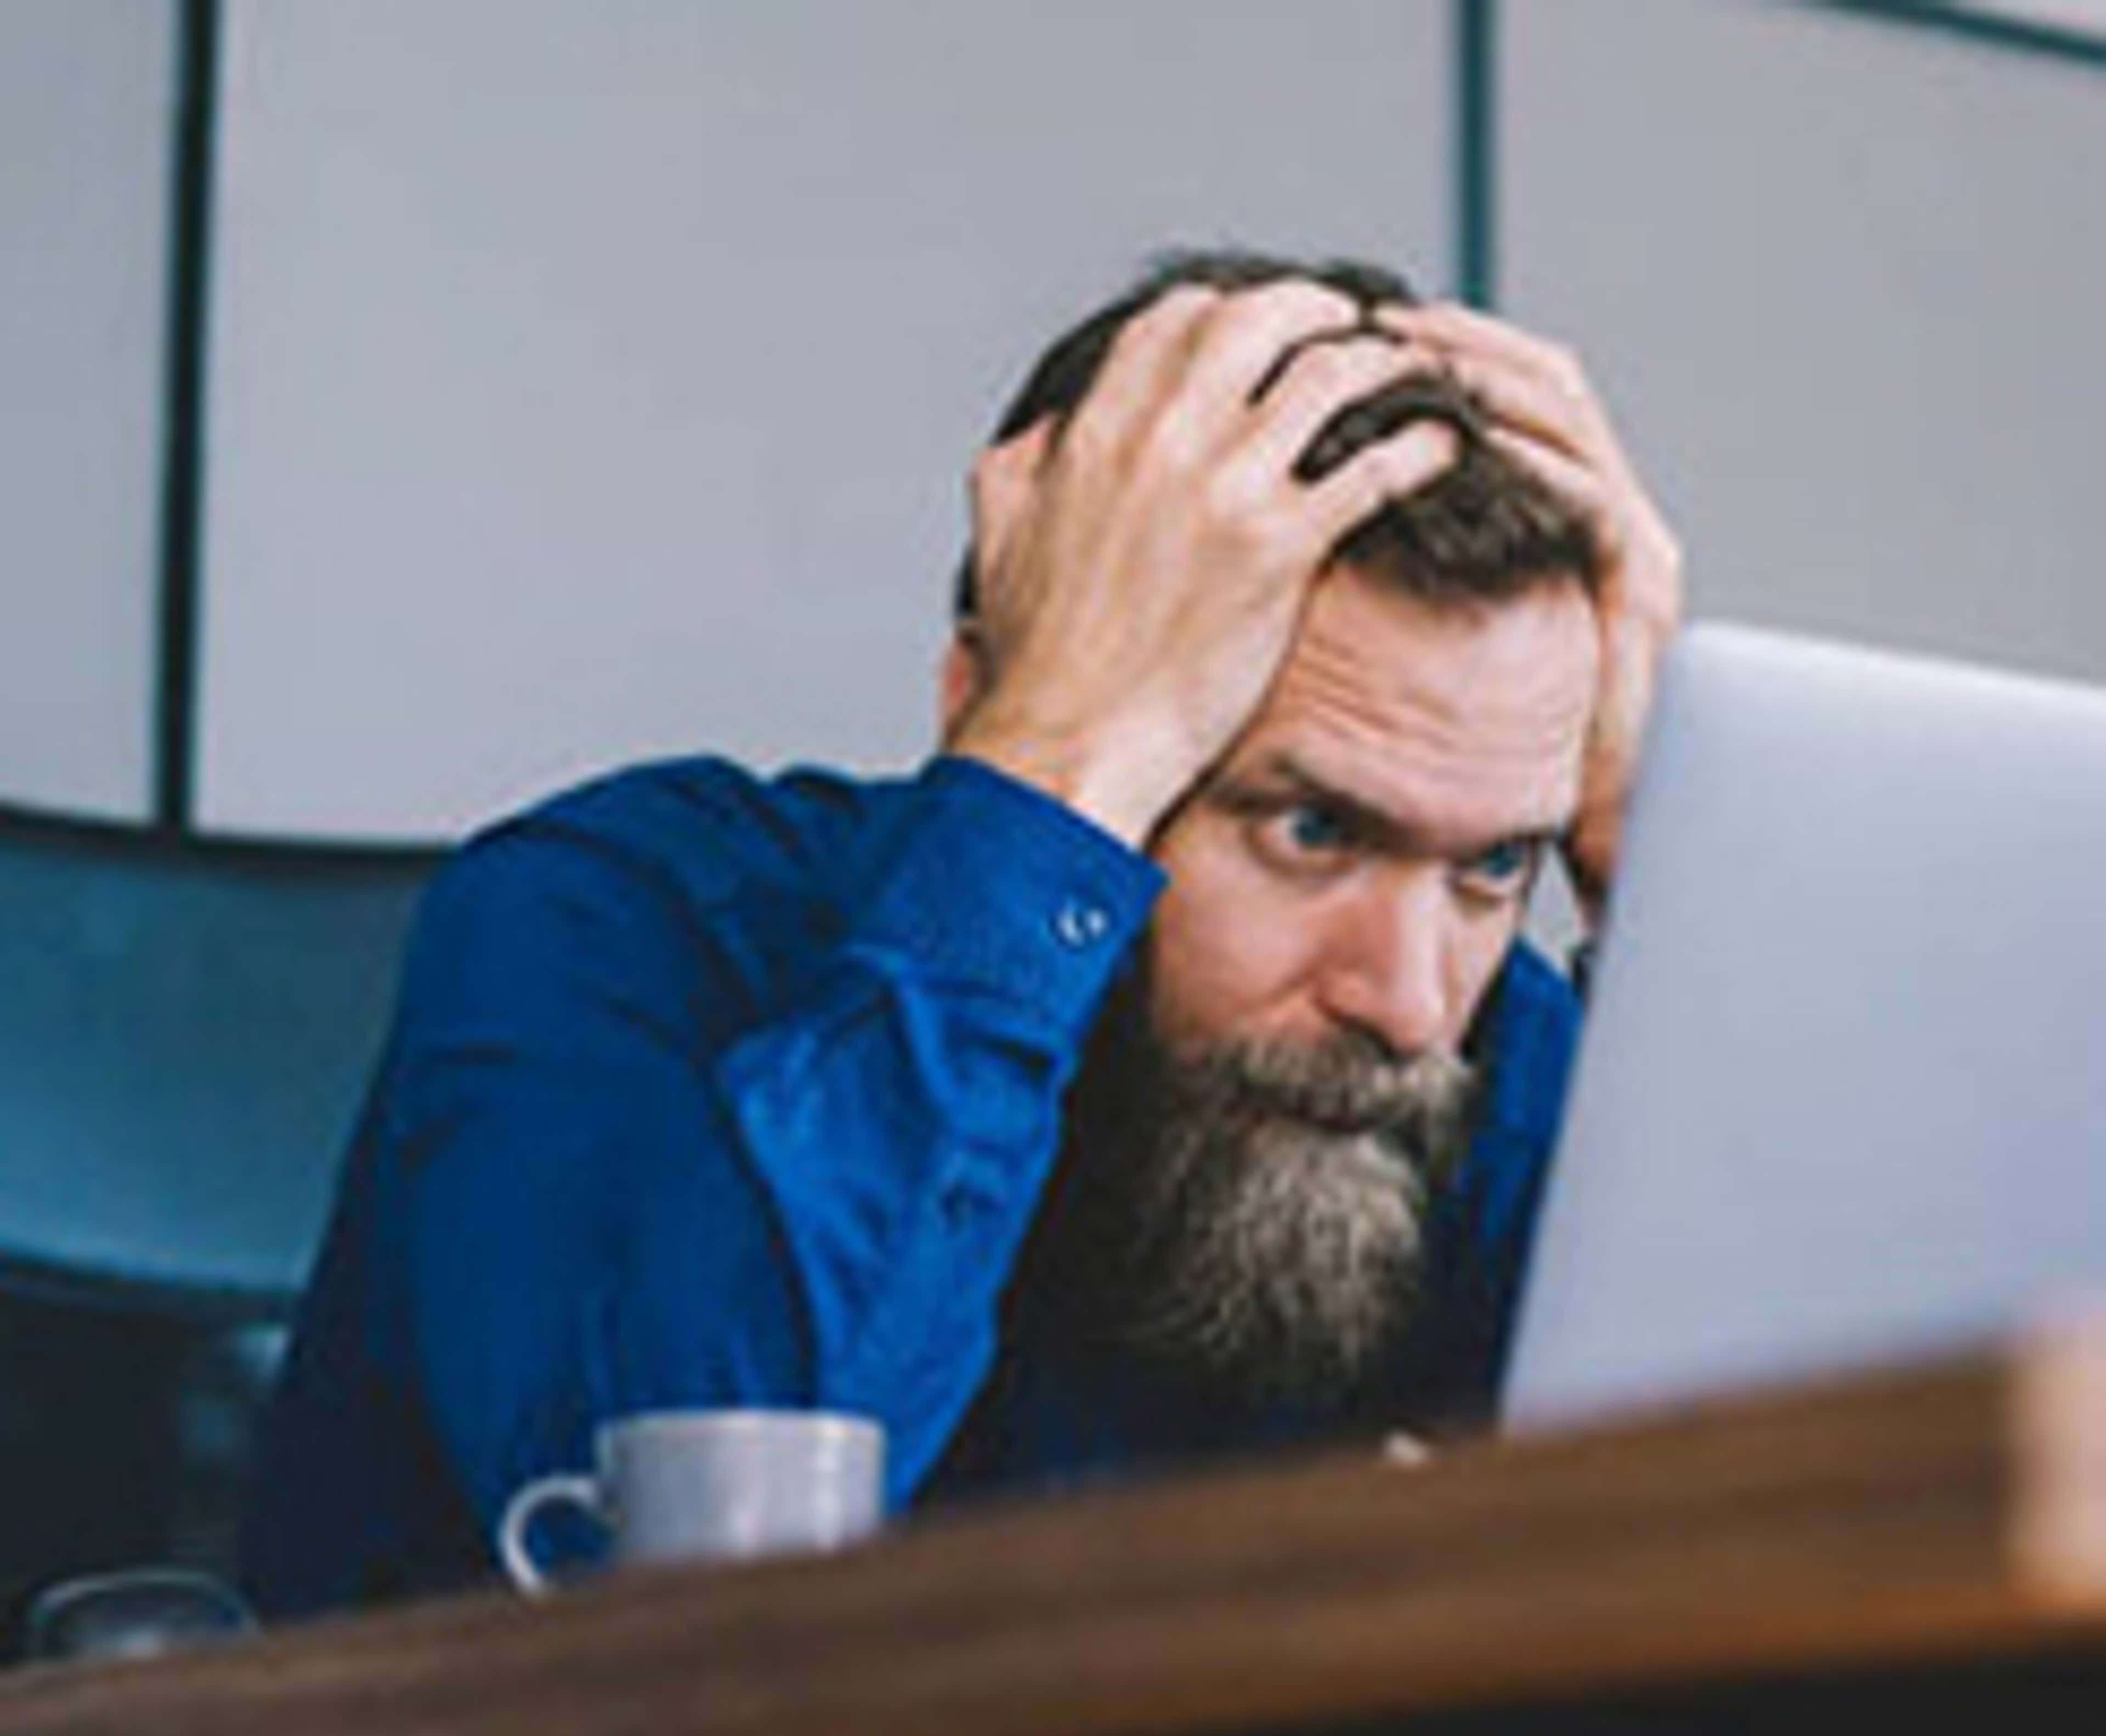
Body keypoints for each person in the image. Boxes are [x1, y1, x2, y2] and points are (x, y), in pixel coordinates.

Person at [245, 245, 1681, 1611]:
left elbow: (1764, 1560)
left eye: (1497, 865)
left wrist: (1665, 870)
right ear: (1010, 694)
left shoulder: (1468, 1065)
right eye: (1310, 832)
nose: (1412, 1000)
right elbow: (683, 1592)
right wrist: (1052, 758)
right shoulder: (604, 917)